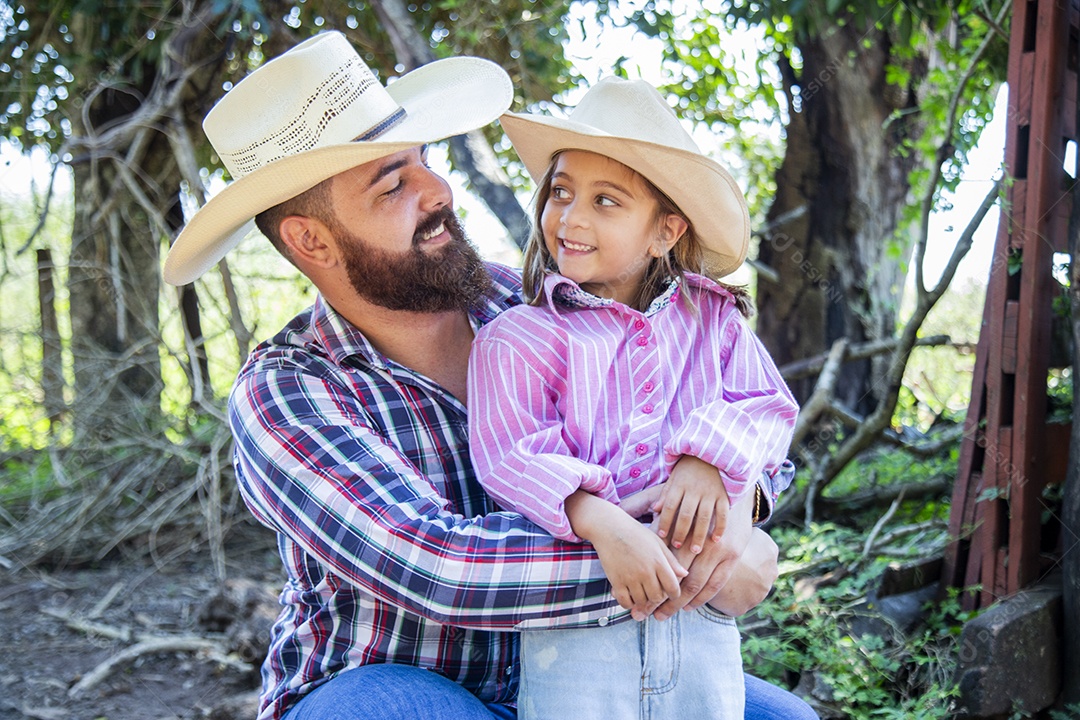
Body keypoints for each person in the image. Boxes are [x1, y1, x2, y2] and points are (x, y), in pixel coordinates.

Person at [162, 31, 817, 720]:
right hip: (398, 686)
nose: (438, 189)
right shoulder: (288, 393)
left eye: (423, 162)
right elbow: (436, 566)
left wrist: (736, 510)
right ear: (311, 240)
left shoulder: (542, 305)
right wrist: (694, 563)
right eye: (394, 185)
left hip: (604, 665)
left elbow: (738, 412)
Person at [467, 77, 800, 719]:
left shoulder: (715, 322)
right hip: (576, 621)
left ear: (665, 231)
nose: (571, 217)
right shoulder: (520, 337)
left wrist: (708, 460)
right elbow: (510, 453)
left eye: (606, 201)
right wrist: (602, 520)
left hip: (701, 607)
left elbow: (767, 405)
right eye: (560, 192)